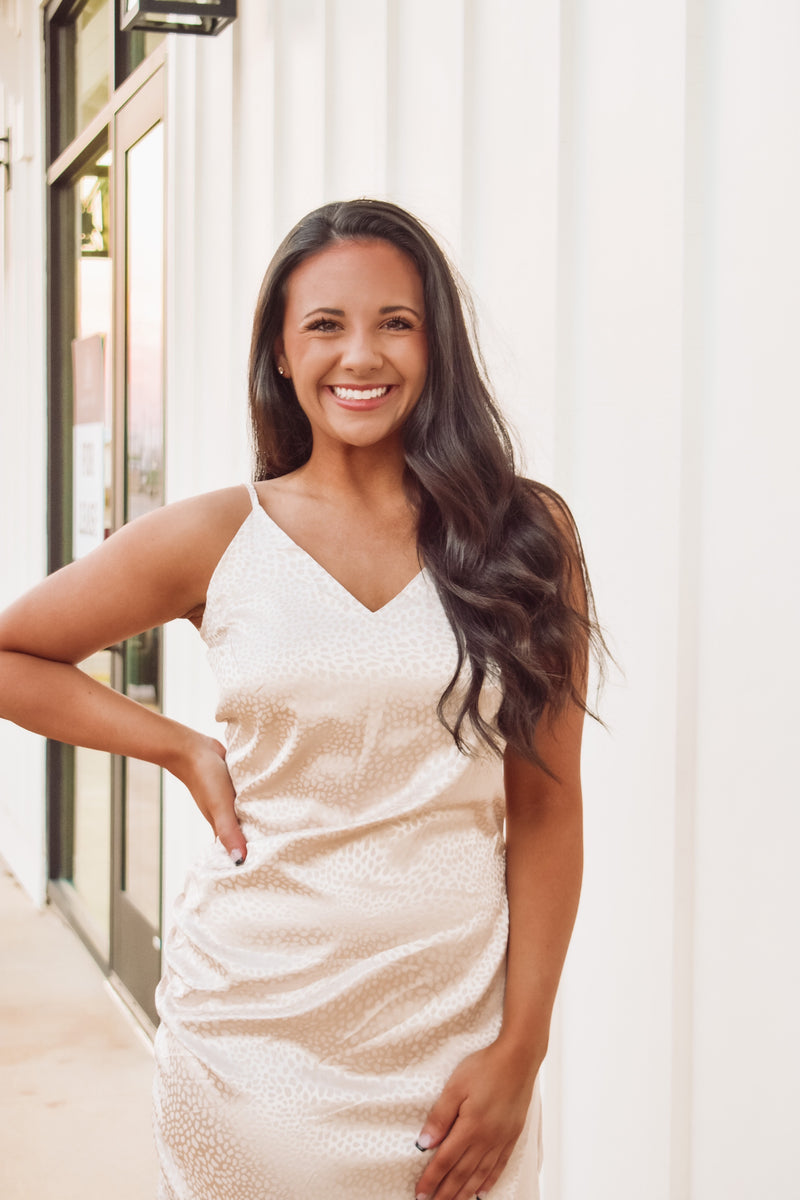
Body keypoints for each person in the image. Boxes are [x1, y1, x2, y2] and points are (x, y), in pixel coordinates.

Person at [0, 199, 601, 1200]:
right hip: (253, 1043)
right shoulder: (215, 536)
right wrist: (177, 748)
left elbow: (547, 804)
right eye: (324, 325)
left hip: (453, 1043)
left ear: (435, 345)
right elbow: (15, 652)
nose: (359, 356)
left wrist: (520, 1050)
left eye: (394, 323)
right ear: (281, 353)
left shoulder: (523, 536)